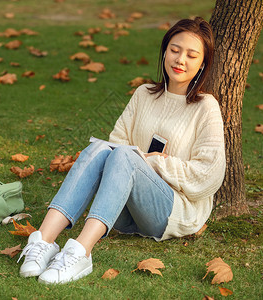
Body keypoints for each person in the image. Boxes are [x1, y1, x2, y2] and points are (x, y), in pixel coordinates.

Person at [17, 16, 226, 284]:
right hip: (123, 212)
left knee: (124, 154)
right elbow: (116, 143)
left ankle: (81, 251)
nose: (180, 60)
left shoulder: (205, 107)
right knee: (99, 149)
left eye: (191, 55)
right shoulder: (144, 94)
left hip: (170, 211)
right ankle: (43, 240)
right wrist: (137, 161)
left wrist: (154, 163)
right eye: (174, 50)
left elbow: (209, 174)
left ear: (202, 64)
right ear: (164, 52)